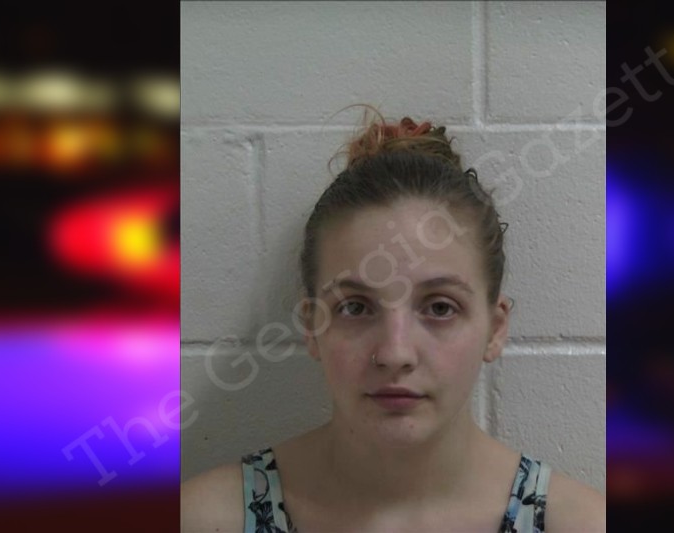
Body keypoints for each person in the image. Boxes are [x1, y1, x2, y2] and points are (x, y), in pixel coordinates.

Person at [181, 106, 605, 532]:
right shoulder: (206, 519)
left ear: (495, 330)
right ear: (311, 326)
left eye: (440, 308)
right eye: (355, 307)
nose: (395, 353)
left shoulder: (579, 524)